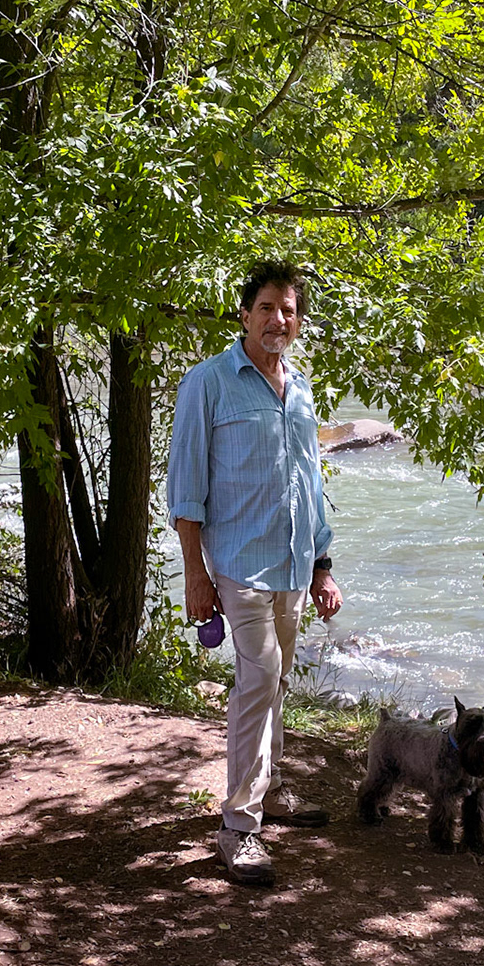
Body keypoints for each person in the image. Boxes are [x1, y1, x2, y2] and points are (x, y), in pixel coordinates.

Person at [167, 260, 343, 886]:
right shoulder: (208, 383)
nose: (278, 320)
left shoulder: (300, 390)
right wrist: (196, 575)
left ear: (298, 321)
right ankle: (238, 827)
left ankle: (269, 789)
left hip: (293, 563)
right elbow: (186, 488)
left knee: (277, 680)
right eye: (266, 308)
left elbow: (310, 486)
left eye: (288, 310)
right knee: (259, 677)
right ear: (245, 314)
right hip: (239, 566)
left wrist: (322, 566)